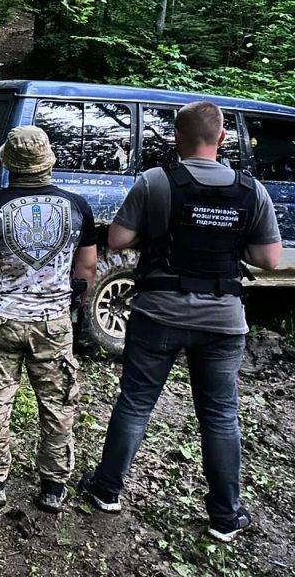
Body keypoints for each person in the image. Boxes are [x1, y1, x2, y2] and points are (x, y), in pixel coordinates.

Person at [81, 101, 281, 542]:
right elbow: (268, 258)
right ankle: (225, 517)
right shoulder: (252, 190)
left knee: (135, 403)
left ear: (176, 137)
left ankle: (107, 490)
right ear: (223, 138)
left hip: (158, 313)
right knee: (221, 416)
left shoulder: (156, 182)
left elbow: (117, 239)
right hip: (224, 320)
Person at [0, 126, 97, 513]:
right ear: (48, 159)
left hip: (3, 316)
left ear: (8, 162)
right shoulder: (77, 206)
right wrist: (75, 303)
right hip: (53, 320)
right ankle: (53, 486)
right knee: (57, 402)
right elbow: (86, 265)